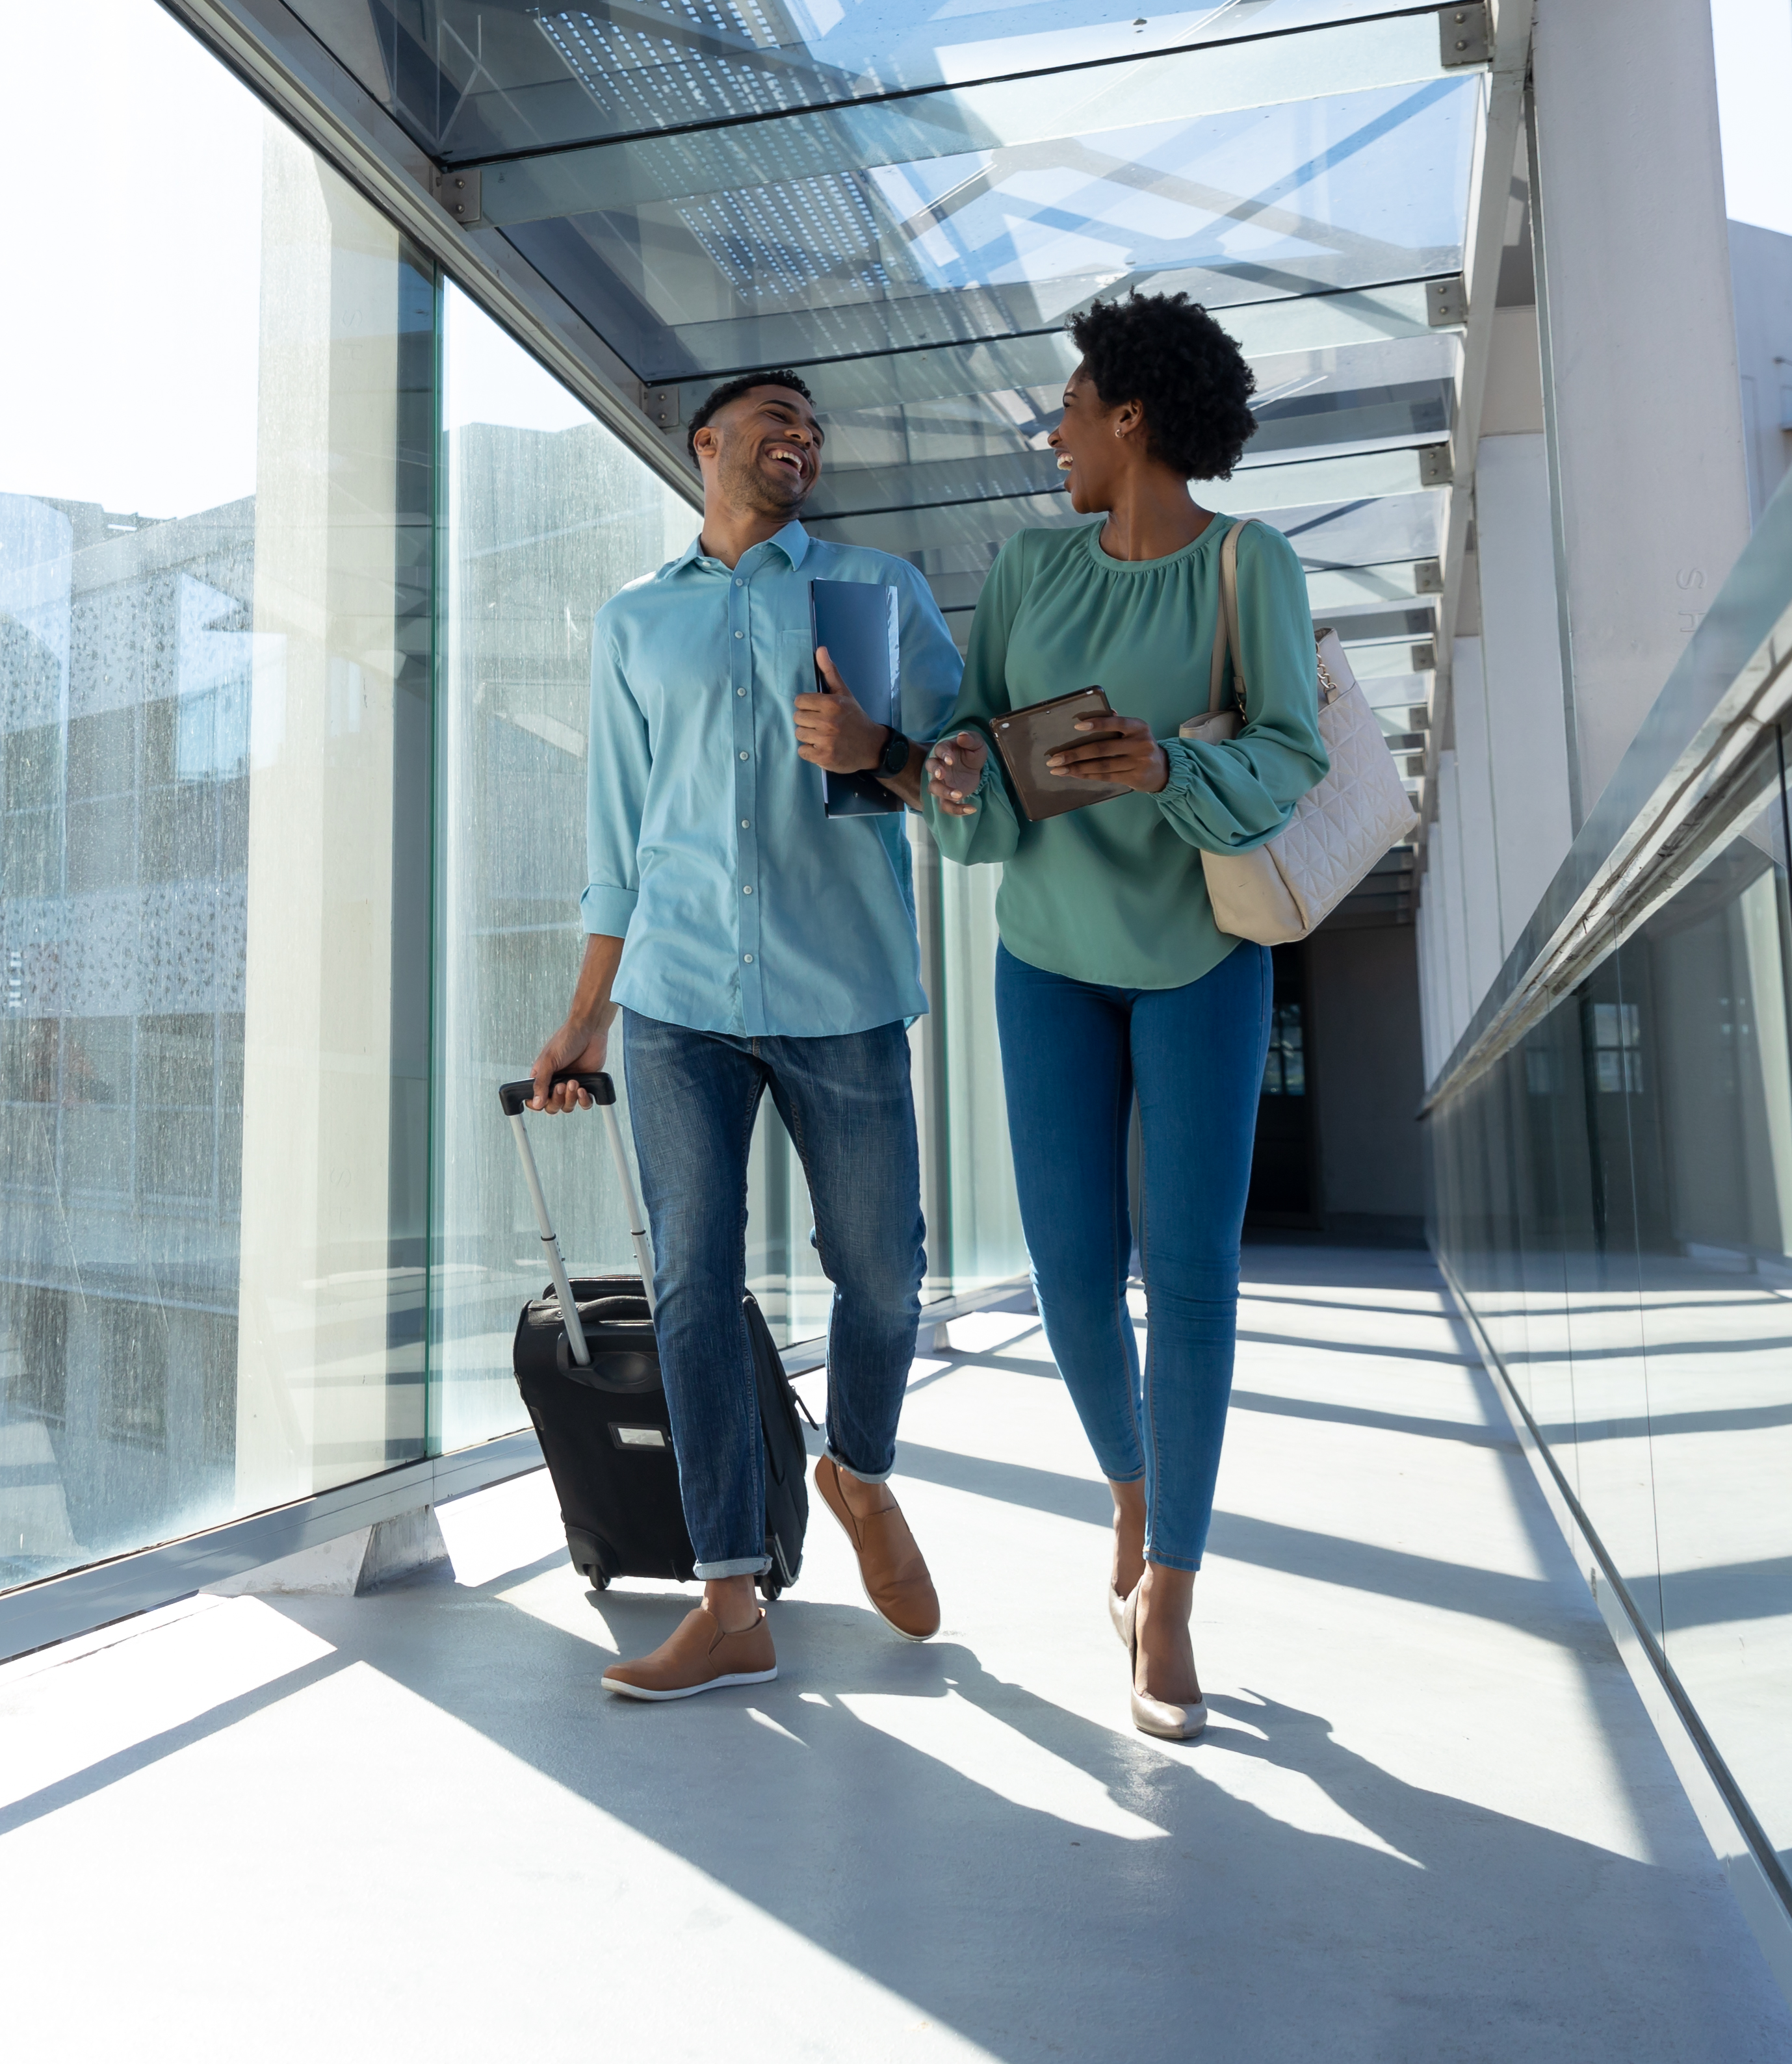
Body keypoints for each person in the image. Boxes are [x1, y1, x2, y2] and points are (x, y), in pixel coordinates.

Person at [917, 291, 1323, 1744]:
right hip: (1048, 949)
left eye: (1074, 407)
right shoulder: (1030, 565)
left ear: (1134, 416)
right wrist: (958, 769)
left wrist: (1164, 765)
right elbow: (972, 724)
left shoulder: (1246, 564)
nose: (1056, 432)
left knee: (1192, 1272)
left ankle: (1171, 1590)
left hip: (1203, 949)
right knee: (1071, 1268)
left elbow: (1293, 750)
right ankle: (1134, 1487)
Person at [530, 367, 963, 1702]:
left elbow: (962, 775)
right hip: (676, 1002)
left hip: (842, 991)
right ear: (706, 441)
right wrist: (583, 1014)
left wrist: (884, 742)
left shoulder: (870, 589)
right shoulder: (632, 621)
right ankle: (729, 1597)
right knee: (691, 1286)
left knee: (880, 1273)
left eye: (815, 429)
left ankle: (861, 1470)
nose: (802, 437)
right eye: (776, 417)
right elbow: (619, 833)